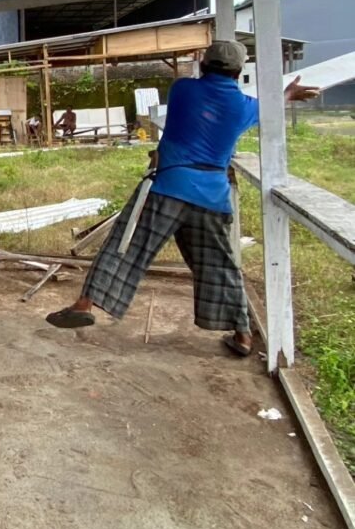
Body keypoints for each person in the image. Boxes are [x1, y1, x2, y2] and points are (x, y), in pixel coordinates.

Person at [46, 41, 320, 357]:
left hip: (170, 186)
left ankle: (86, 303)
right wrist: (287, 94)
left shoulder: (183, 90)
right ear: (238, 71)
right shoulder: (245, 107)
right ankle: (243, 335)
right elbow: (270, 106)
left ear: (204, 64)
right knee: (220, 264)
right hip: (212, 197)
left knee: (126, 244)